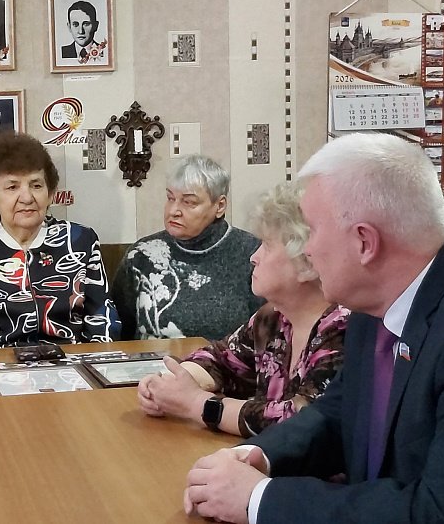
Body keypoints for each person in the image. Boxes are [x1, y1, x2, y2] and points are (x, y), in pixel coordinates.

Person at [183, 132, 444, 523]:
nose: (307, 249)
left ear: (364, 243)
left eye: (312, 230)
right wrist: (261, 455)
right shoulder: (375, 302)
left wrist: (258, 498)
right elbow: (338, 414)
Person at [137, 181, 348, 436]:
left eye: (266, 245)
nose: (253, 257)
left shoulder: (344, 328)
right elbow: (221, 359)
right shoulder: (274, 317)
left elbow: (300, 421)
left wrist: (197, 404)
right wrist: (172, 384)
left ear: (308, 262)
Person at [0, 132, 119, 349]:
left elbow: (102, 319)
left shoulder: (80, 241)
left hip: (72, 362)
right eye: (12, 187)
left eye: (36, 185)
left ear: (50, 193)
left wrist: (90, 361)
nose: (27, 198)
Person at [112, 154, 263, 340]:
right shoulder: (142, 255)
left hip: (226, 358)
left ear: (220, 206)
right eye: (170, 198)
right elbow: (119, 329)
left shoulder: (252, 253)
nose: (173, 211)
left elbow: (269, 330)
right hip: (149, 358)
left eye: (189, 202)